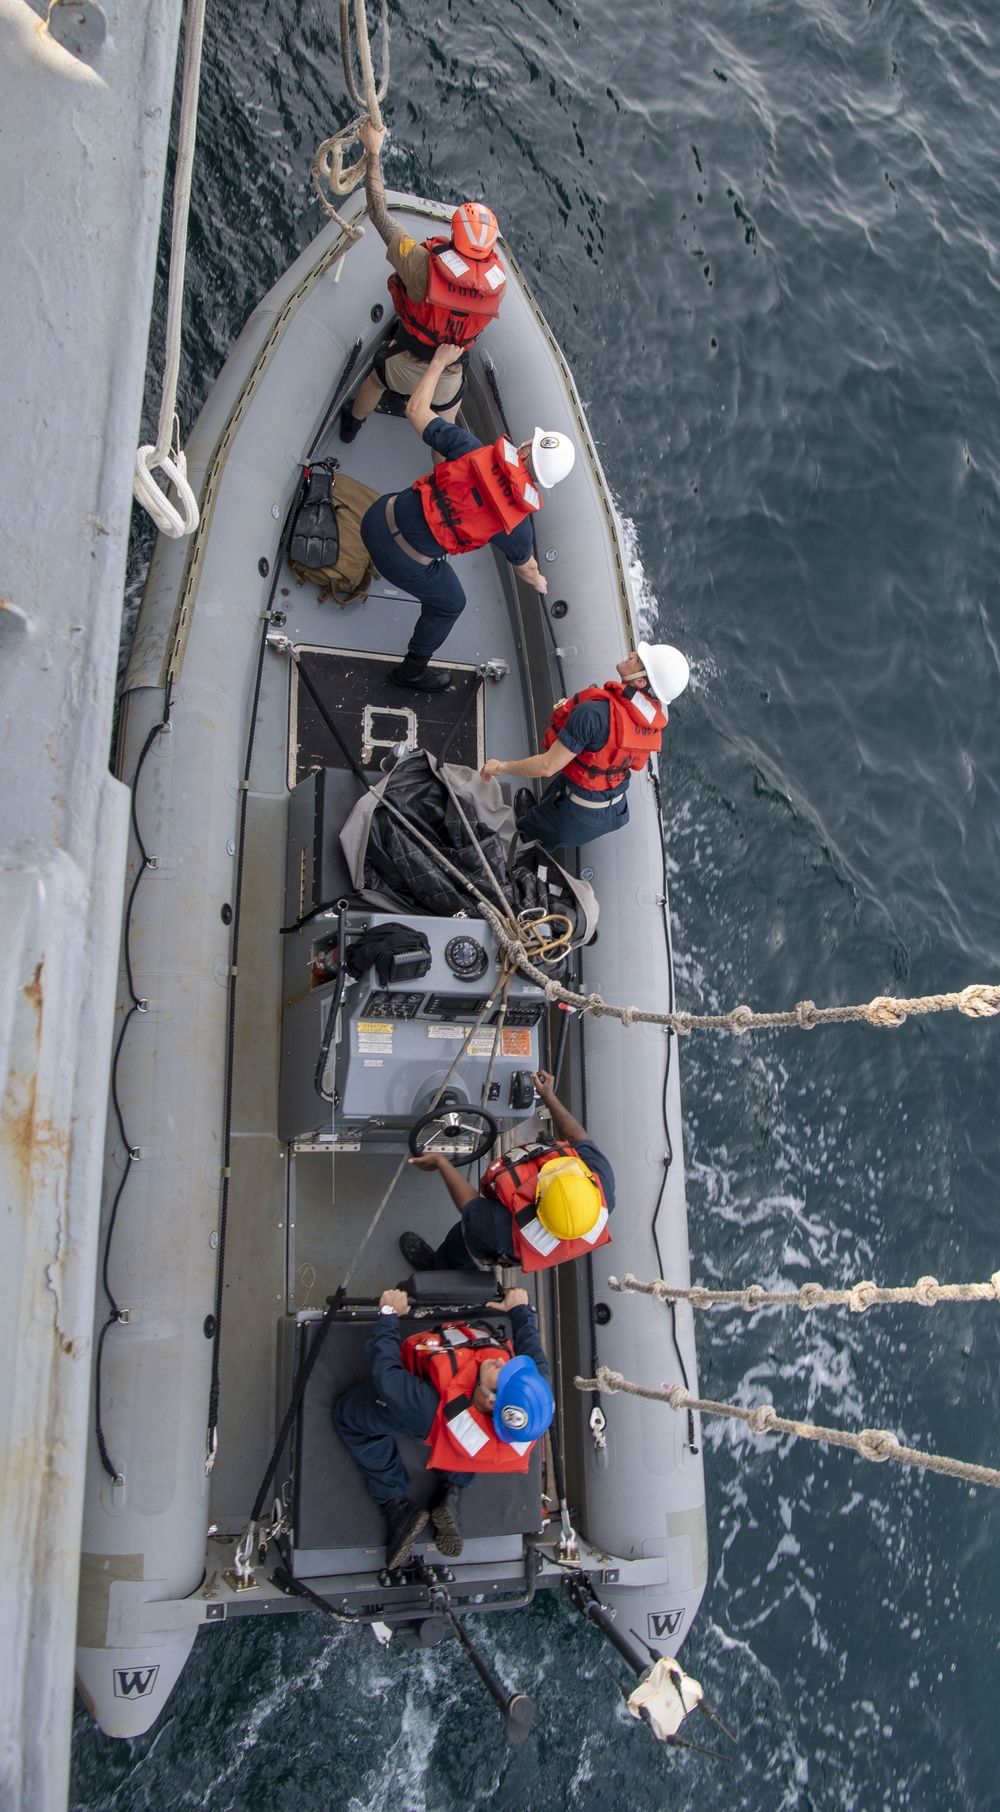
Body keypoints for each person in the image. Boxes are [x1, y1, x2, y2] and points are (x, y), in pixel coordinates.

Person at [360, 345, 576, 691]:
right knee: (451, 603)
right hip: (399, 562)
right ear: (542, 483)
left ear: (522, 449)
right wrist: (539, 582)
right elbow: (527, 568)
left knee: (419, 507)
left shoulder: (469, 447)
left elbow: (416, 409)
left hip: (373, 518)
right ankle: (411, 672)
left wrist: (439, 363)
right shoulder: (516, 527)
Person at [332, 1285, 553, 1568]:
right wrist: (519, 1310)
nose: (500, 1359)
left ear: (487, 1400)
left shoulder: (426, 1404)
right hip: (475, 1444)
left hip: (427, 1420)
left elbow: (387, 1375)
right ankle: (452, 1492)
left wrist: (389, 1314)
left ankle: (397, 1505)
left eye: (500, 1371)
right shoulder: (533, 1394)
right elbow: (533, 1351)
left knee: (349, 1416)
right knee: (471, 1449)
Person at [340, 120, 508, 440]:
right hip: (448, 377)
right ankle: (441, 467)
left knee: (376, 379)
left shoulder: (421, 266)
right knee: (444, 426)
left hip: (406, 363)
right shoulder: (497, 288)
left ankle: (350, 428)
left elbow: (379, 213)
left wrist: (373, 151)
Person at [399, 1068, 615, 1275]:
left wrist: (441, 1162)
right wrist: (549, 1096)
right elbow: (577, 1137)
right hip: (523, 1233)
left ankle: (444, 1268)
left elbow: (471, 1207)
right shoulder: (601, 1184)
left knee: (464, 1241)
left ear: (538, 1201)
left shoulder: (500, 1228)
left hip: (506, 1243)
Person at [480, 643, 691, 851]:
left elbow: (547, 766)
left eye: (638, 660)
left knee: (520, 837)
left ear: (640, 680)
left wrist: (500, 767)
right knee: (551, 809)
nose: (632, 654)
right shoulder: (651, 722)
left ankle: (529, 834)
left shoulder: (594, 714)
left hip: (574, 814)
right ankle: (541, 819)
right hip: (614, 810)